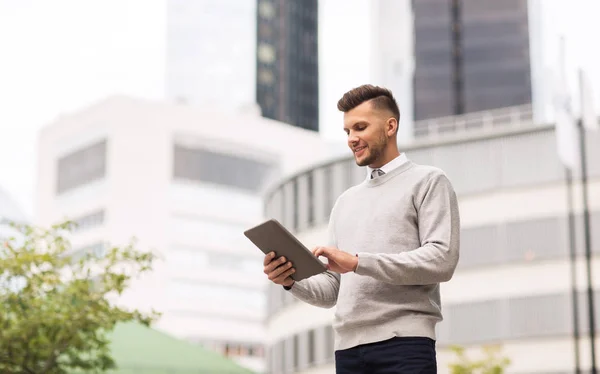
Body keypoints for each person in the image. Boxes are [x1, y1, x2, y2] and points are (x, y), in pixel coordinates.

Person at [263, 84, 460, 373]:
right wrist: (290, 280)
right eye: (347, 132)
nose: (352, 139)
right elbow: (333, 291)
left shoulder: (428, 181)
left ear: (390, 126)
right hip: (348, 353)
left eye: (360, 127)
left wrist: (357, 262)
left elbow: (441, 261)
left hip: (405, 344)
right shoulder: (345, 202)